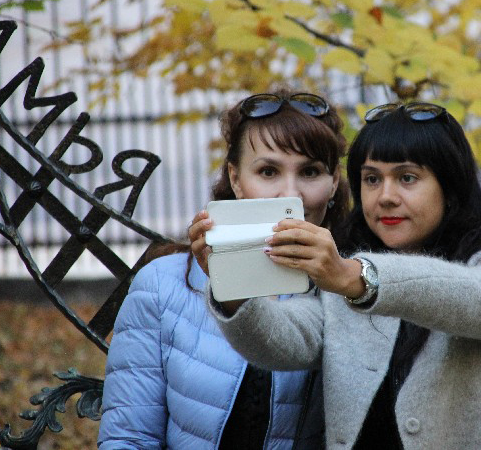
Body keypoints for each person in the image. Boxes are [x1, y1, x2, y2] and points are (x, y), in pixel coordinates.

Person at [199, 101, 481, 449]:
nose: (385, 196)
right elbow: (284, 343)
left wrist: (359, 279)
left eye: (407, 177)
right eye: (372, 179)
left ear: (450, 187)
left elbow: (478, 298)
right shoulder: (346, 272)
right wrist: (230, 282)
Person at [98, 91, 350, 450]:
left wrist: (344, 282)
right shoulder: (162, 285)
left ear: (334, 181)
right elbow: (128, 438)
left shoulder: (355, 287)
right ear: (235, 179)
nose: (289, 194)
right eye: (268, 171)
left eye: (309, 172)